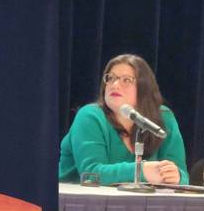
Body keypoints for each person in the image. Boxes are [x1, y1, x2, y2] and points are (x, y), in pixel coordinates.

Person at [59, 54, 188, 186]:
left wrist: (176, 176)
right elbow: (91, 174)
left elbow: (182, 176)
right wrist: (141, 171)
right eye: (110, 78)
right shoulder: (90, 116)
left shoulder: (164, 117)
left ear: (144, 87)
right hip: (75, 203)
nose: (114, 85)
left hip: (144, 204)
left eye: (126, 80)